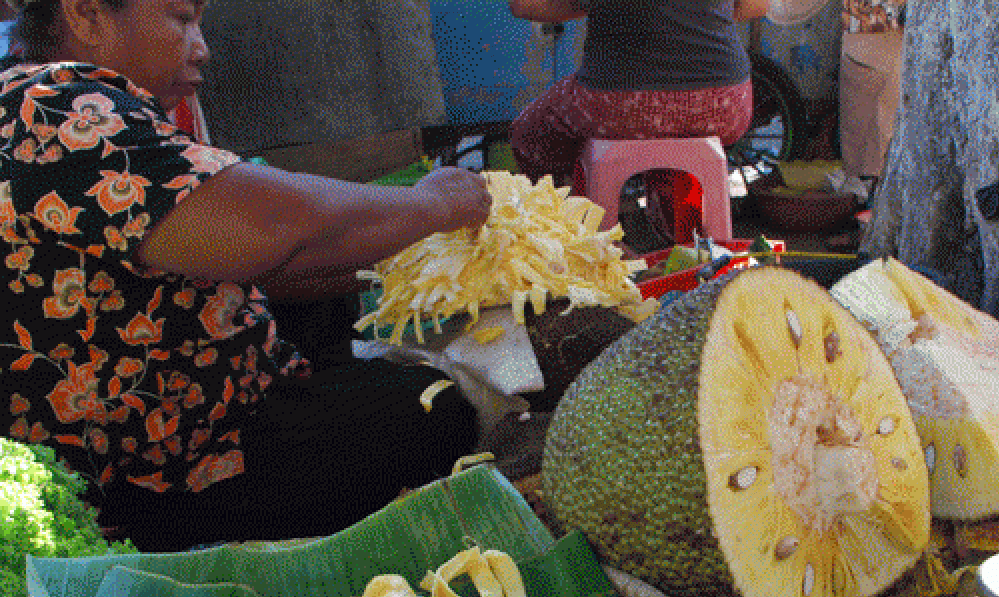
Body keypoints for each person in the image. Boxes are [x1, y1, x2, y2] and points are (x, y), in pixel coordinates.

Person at [0, 0, 493, 552]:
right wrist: (432, 205)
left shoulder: (70, 107)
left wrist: (396, 262)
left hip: (191, 429)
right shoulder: (48, 105)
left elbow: (243, 255)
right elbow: (266, 223)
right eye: (181, 18)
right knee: (440, 409)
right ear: (87, 15)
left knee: (351, 339)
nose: (202, 46)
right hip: (172, 473)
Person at [507, 0, 768, 186]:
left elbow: (526, 5)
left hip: (618, 106)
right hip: (724, 105)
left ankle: (573, 230)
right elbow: (755, 5)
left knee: (527, 133)